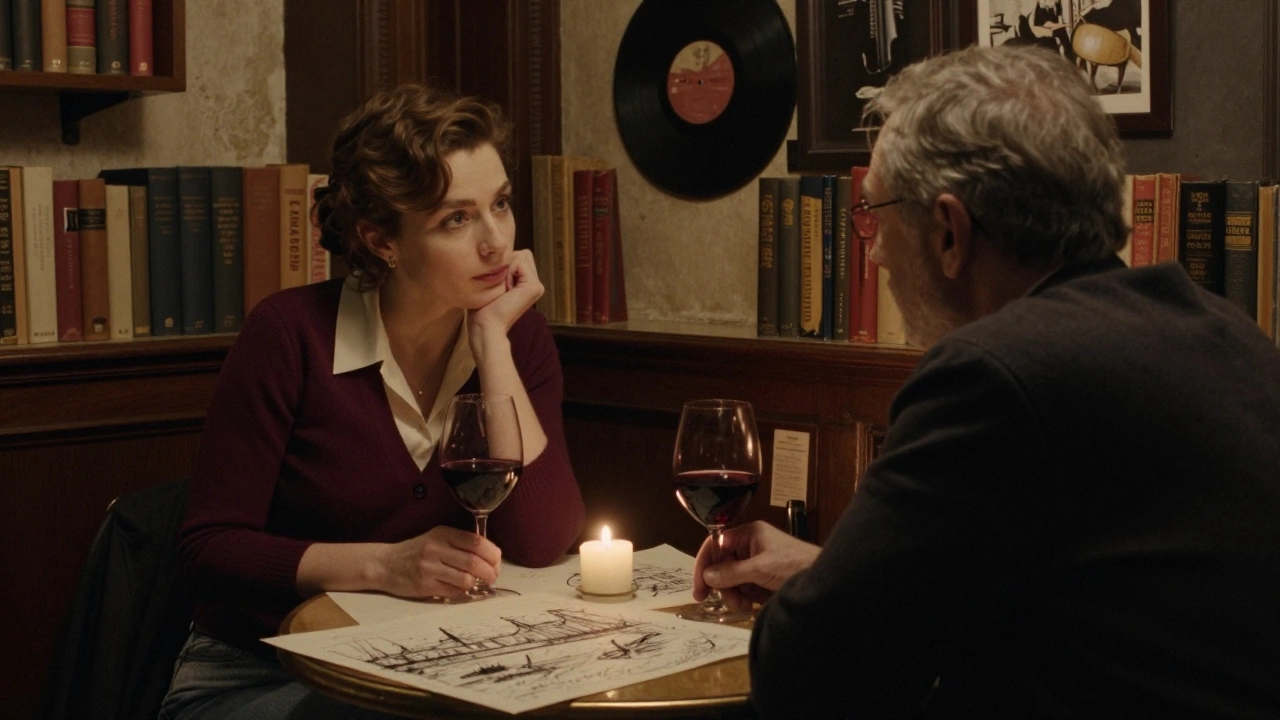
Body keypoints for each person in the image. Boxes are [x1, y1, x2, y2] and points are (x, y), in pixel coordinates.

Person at [694, 44, 1280, 718]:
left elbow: (808, 673)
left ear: (949, 231)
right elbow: (1084, 602)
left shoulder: (995, 375)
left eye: (875, 213)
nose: (875, 250)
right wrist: (823, 570)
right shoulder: (1225, 335)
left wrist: (820, 599)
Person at [160, 84, 585, 719]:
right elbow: (209, 550)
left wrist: (493, 343)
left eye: (500, 204)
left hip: (429, 670)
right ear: (382, 239)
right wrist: (385, 566)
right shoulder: (288, 335)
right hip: (255, 674)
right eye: (456, 219)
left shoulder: (515, 335)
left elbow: (544, 539)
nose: (497, 242)